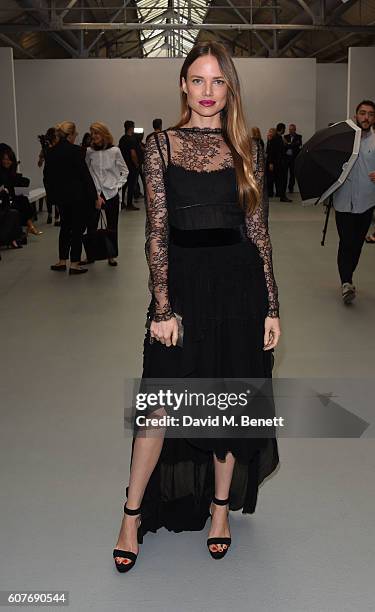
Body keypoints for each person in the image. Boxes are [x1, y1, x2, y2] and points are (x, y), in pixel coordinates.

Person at [113, 41, 281, 573]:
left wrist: (271, 305)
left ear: (229, 90)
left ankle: (221, 509)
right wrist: (163, 307)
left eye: (218, 82)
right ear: (184, 85)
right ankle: (131, 514)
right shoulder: (160, 146)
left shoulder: (248, 148)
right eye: (198, 80)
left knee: (227, 403)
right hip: (183, 288)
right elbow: (157, 232)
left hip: (239, 289)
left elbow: (258, 232)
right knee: (158, 405)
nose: (208, 92)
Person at [332, 99, 375, 304]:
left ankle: (348, 278)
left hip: (366, 201)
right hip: (343, 200)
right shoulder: (344, 140)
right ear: (356, 115)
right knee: (346, 241)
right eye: (362, 113)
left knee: (357, 244)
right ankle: (346, 282)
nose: (366, 117)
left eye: (370, 114)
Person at [44, 121, 97, 275]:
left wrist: (52, 196)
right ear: (71, 135)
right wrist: (94, 196)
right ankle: (74, 263)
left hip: (61, 198)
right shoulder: (76, 151)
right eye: (75, 134)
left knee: (65, 228)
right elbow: (85, 176)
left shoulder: (51, 152)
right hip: (78, 197)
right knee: (78, 229)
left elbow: (47, 177)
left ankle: (61, 261)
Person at [83, 122, 128, 267]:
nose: (94, 136)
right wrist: (91, 190)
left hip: (111, 193)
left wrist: (117, 186)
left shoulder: (115, 151)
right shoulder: (89, 151)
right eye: (92, 133)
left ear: (104, 134)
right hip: (95, 194)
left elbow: (125, 171)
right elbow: (86, 172)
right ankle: (91, 256)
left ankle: (111, 255)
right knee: (91, 226)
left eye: (96, 133)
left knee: (112, 225)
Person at [0, 149, 42, 236]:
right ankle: (30, 227)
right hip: (3, 199)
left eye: (9, 160)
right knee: (21, 203)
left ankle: (29, 226)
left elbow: (14, 185)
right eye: (5, 159)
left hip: (10, 197)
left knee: (24, 200)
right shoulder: (2, 173)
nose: (7, 162)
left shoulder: (9, 172)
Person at [38, 127, 60, 225]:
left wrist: (41, 159)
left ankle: (53, 216)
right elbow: (40, 162)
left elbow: (39, 163)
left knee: (52, 194)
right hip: (51, 173)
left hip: (50, 172)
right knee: (52, 194)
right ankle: (53, 216)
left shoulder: (48, 148)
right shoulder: (48, 148)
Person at [119, 121, 140, 211]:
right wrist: (136, 164)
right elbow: (133, 154)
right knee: (131, 185)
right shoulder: (131, 139)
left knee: (124, 185)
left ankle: (122, 202)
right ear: (131, 128)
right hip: (131, 166)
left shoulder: (122, 139)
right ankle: (129, 204)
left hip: (123, 165)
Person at [284, 123, 302, 194]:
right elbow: (285, 147)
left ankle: (290, 188)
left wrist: (288, 144)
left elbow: (297, 145)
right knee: (284, 174)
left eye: (292, 130)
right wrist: (291, 145)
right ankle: (283, 188)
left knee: (292, 174)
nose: (290, 131)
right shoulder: (285, 136)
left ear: (295, 130)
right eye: (289, 129)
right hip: (286, 158)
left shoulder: (299, 137)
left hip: (293, 158)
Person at [265, 127, 277, 197]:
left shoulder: (274, 141)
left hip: (271, 162)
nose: (269, 133)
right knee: (269, 178)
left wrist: (271, 163)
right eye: (269, 131)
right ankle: (270, 192)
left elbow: (272, 153)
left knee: (271, 178)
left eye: (271, 132)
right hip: (269, 161)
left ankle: (271, 192)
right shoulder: (269, 140)